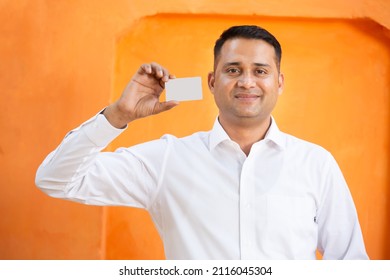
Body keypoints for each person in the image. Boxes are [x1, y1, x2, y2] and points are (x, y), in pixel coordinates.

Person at [35, 25, 368, 260]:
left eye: (261, 71)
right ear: (212, 81)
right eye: (233, 70)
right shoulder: (167, 160)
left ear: (279, 83)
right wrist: (117, 115)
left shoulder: (315, 163)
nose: (247, 82)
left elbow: (351, 263)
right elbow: (56, 181)